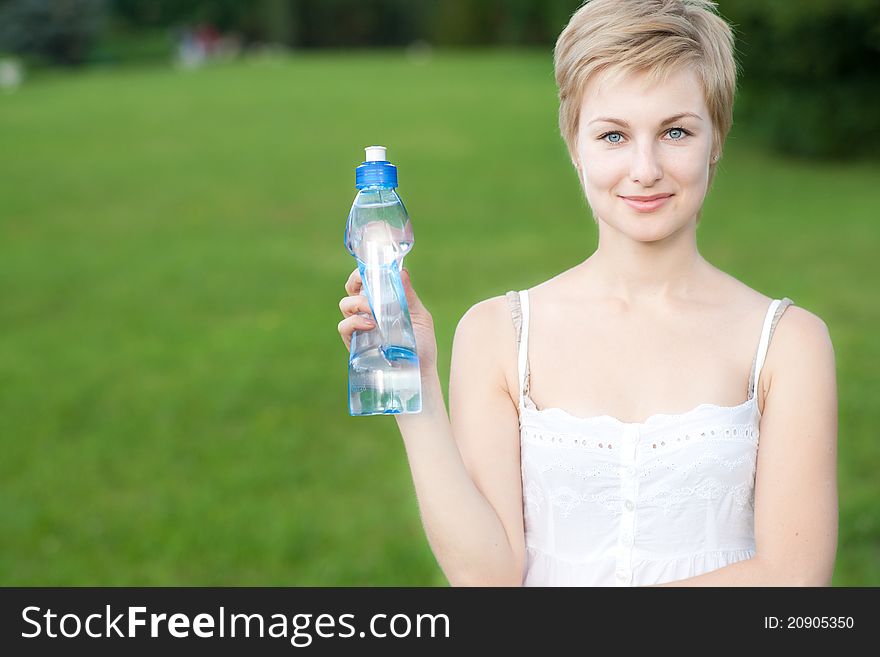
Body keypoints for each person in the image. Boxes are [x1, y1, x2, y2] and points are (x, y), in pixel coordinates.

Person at [337, 0, 838, 586]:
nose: (645, 168)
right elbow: (489, 580)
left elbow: (794, 581)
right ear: (575, 144)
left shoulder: (787, 343)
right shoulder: (498, 333)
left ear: (716, 138)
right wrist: (414, 385)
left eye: (675, 131)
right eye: (614, 135)